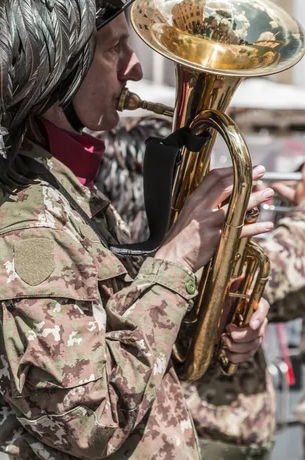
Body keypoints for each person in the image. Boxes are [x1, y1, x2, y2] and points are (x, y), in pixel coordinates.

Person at [0, 0, 272, 460]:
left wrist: (218, 325)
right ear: (54, 78)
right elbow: (89, 422)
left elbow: (124, 346)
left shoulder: (63, 195)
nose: (136, 68)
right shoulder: (22, 233)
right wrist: (180, 254)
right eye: (114, 50)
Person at [96, 117, 305, 460]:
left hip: (221, 433)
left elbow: (278, 293)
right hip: (196, 432)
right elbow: (283, 270)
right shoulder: (149, 246)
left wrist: (250, 317)